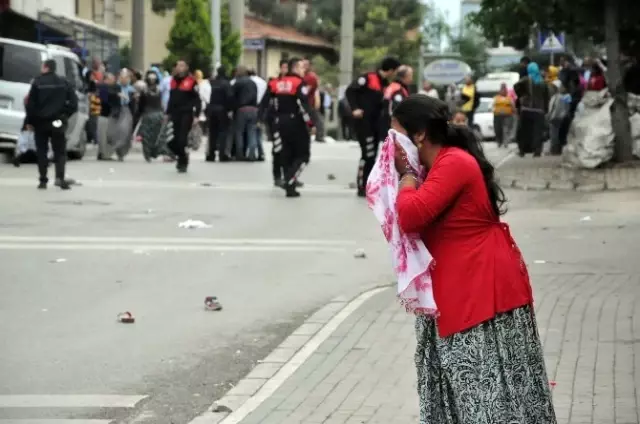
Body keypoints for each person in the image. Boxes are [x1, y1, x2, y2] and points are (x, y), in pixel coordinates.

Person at [390, 94, 557, 424]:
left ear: (419, 135)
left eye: (395, 134)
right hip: (460, 284)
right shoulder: (439, 165)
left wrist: (406, 174)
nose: (390, 144)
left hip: (480, 288)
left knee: (483, 391)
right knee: (464, 391)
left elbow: (410, 215)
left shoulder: (453, 163)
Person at [260, 57, 315, 197]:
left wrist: (262, 119)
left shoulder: (275, 83)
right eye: (302, 68)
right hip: (295, 122)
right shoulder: (298, 83)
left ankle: (288, 182)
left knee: (287, 153)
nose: (305, 71)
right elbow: (304, 105)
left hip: (278, 122)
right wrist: (311, 124)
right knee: (303, 155)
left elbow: (264, 103)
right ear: (295, 68)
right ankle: (290, 180)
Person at [346, 56, 401, 197]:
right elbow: (350, 91)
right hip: (364, 123)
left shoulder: (386, 84)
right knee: (367, 154)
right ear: (390, 70)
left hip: (376, 124)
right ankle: (361, 185)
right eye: (395, 71)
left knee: (373, 155)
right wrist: (354, 108)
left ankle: (368, 184)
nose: (395, 74)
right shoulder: (369, 78)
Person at [25, 59, 78, 190]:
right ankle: (60, 178)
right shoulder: (64, 82)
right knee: (59, 151)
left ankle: (43, 180)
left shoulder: (37, 82)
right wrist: (64, 116)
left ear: (46, 67)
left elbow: (30, 105)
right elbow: (73, 104)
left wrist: (29, 122)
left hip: (40, 122)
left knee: (41, 151)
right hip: (58, 122)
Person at [166, 59, 201, 172]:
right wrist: (167, 113)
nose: (179, 67)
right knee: (172, 142)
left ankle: (182, 162)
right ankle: (182, 156)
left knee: (182, 139)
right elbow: (171, 99)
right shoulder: (173, 81)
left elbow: (197, 99)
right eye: (178, 65)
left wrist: (197, 115)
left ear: (186, 68)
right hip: (175, 113)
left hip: (186, 113)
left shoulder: (191, 81)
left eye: (182, 65)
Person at [514, 62, 551, 157]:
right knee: (537, 132)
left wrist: (522, 95)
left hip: (526, 109)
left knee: (524, 131)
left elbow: (516, 86)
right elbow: (547, 97)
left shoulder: (526, 79)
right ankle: (537, 151)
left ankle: (522, 150)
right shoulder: (542, 82)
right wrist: (545, 109)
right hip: (539, 111)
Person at [136, 70, 165, 162]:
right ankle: (149, 153)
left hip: (153, 115)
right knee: (149, 136)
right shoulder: (146, 91)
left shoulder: (156, 90)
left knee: (155, 136)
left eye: (153, 79)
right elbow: (141, 104)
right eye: (150, 79)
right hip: (151, 115)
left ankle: (151, 153)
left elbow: (141, 105)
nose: (152, 80)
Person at [232, 66, 259, 161]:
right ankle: (252, 154)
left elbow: (232, 97)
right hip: (254, 109)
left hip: (242, 109)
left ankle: (240, 154)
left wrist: (233, 109)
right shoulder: (253, 83)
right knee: (252, 131)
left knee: (239, 132)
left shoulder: (237, 83)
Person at [207, 66, 233, 162]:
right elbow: (230, 97)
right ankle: (222, 155)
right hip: (222, 110)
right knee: (223, 132)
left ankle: (211, 154)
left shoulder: (213, 83)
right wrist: (230, 110)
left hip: (212, 108)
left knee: (212, 132)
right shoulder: (226, 84)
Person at [381, 65, 412, 138]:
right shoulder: (398, 89)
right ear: (405, 76)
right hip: (395, 127)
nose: (411, 79)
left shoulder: (393, 86)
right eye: (410, 76)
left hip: (389, 124)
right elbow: (397, 109)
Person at [302, 58, 323, 142]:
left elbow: (308, 91)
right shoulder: (303, 76)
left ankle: (319, 136)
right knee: (309, 119)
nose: (304, 66)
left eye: (306, 65)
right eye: (302, 64)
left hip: (309, 103)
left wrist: (317, 100)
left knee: (314, 119)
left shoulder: (310, 77)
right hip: (304, 103)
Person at [249, 69, 267, 160]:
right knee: (259, 131)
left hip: (251, 106)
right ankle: (261, 153)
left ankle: (252, 153)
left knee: (252, 131)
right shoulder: (263, 82)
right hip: (261, 107)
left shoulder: (249, 81)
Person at [492, 83, 516, 148]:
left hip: (507, 116)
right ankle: (499, 142)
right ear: (500, 90)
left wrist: (514, 112)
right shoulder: (496, 98)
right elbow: (492, 106)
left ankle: (505, 142)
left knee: (506, 129)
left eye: (504, 89)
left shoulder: (509, 98)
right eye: (502, 89)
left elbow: (513, 106)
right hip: (497, 116)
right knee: (498, 129)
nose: (503, 91)